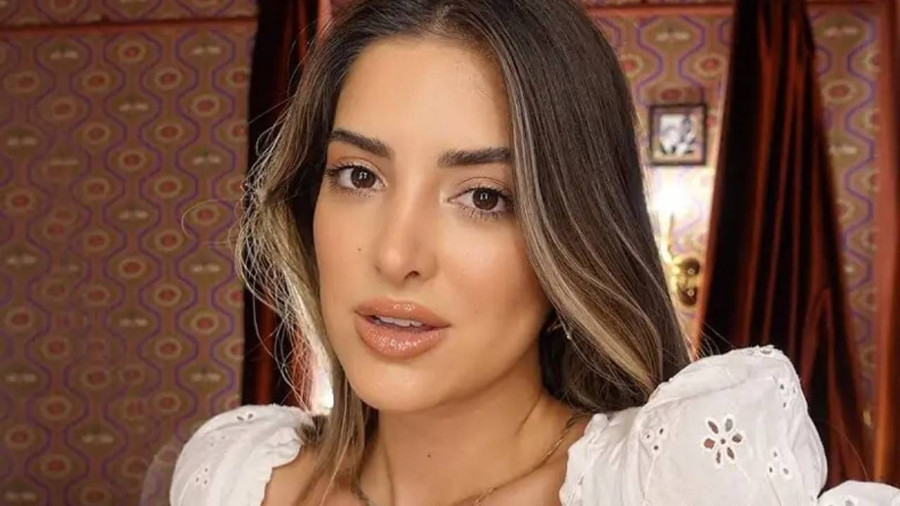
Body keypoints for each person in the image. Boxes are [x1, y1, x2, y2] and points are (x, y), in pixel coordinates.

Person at [169, 0, 900, 504]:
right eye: (360, 176)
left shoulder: (674, 486)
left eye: (485, 197)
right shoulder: (236, 475)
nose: (395, 254)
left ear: (573, 235)